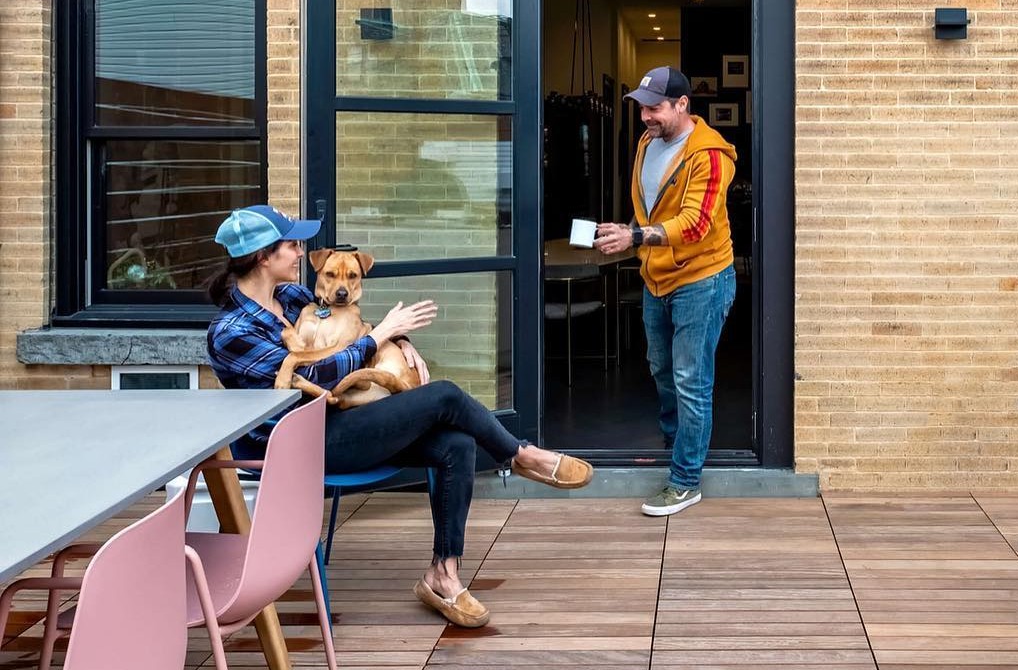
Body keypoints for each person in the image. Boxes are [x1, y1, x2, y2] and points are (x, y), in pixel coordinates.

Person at [204, 204, 592, 629]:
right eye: (292, 245)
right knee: (444, 395)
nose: (300, 253)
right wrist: (379, 336)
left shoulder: (292, 297)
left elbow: (352, 327)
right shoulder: (232, 332)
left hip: (347, 419)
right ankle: (521, 455)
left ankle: (443, 575)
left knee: (457, 444)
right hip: (302, 444)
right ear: (263, 256)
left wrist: (400, 340)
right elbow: (311, 374)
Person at [595, 67, 737, 517]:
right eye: (641, 107)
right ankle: (679, 445)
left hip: (703, 279)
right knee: (661, 368)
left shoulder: (711, 156)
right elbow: (654, 209)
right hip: (657, 276)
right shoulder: (647, 143)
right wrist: (629, 229)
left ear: (682, 105)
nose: (644, 117)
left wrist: (635, 239)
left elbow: (694, 225)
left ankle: (685, 480)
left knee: (690, 381)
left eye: (654, 108)